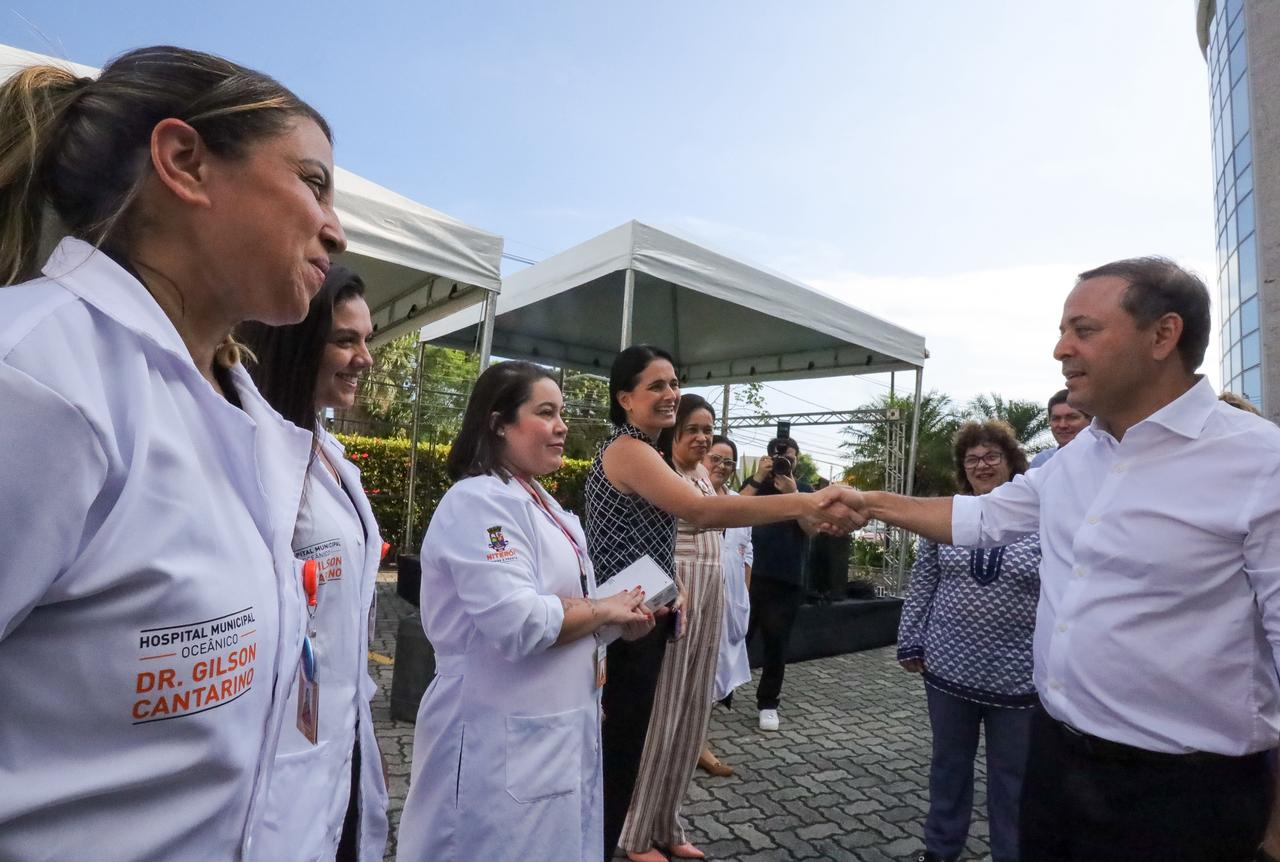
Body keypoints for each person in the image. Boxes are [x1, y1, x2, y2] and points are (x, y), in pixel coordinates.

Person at [0, 47, 345, 859]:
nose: (336, 228)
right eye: (314, 182)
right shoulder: (37, 380)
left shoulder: (238, 409)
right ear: (185, 162)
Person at [848, 257, 1280, 862]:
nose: (1060, 349)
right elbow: (981, 518)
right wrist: (867, 502)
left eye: (1084, 329)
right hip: (1055, 762)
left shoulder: (1261, 463)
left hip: (1185, 797)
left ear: (1163, 335)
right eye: (1061, 330)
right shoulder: (1073, 462)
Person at [585, 345, 859, 860]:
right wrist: (808, 499)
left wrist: (676, 587)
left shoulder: (641, 449)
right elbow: (700, 511)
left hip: (649, 613)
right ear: (624, 398)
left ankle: (651, 830)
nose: (671, 395)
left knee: (651, 735)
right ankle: (620, 841)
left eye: (673, 383)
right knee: (627, 749)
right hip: (624, 624)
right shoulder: (630, 449)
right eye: (656, 386)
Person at [396, 361, 653, 861]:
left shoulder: (544, 505)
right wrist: (603, 609)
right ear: (498, 423)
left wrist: (622, 622)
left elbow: (572, 611)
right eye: (546, 413)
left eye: (562, 413)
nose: (562, 427)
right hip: (494, 738)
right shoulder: (480, 503)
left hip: (553, 734)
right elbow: (519, 623)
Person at [239, 265, 389, 861]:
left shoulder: (328, 452)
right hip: (277, 751)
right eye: (345, 340)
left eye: (366, 340)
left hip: (341, 734)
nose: (365, 357)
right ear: (298, 343)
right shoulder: (252, 447)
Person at [898, 421, 1040, 862]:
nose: (982, 465)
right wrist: (910, 640)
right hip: (947, 669)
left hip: (1020, 677)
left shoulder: (1039, 517)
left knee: (1013, 780)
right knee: (948, 769)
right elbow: (924, 579)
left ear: (1011, 461)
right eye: (972, 459)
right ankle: (940, 851)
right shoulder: (950, 517)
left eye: (991, 456)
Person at [619, 395, 728, 861]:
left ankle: (668, 822)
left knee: (692, 713)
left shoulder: (703, 475)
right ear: (674, 432)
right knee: (662, 715)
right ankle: (635, 832)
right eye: (694, 429)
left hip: (712, 594)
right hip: (677, 591)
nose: (702, 438)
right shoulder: (658, 471)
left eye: (709, 429)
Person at [742, 436, 813, 731]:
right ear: (767, 457)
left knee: (776, 645)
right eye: (778, 457)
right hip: (747, 576)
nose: (785, 463)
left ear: (797, 460)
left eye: (790, 459)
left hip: (785, 578)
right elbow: (729, 510)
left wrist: (795, 493)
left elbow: (812, 528)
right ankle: (721, 693)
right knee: (736, 638)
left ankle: (768, 703)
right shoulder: (756, 485)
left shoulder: (805, 490)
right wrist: (759, 477)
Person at [697, 435, 753, 779]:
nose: (721, 467)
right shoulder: (687, 495)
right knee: (693, 676)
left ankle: (699, 743)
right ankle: (685, 745)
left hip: (730, 603)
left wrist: (743, 594)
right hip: (697, 600)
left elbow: (747, 552)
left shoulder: (739, 504)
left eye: (728, 462)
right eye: (714, 459)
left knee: (718, 679)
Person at [1028, 389, 1090, 467]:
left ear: (1090, 420)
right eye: (1056, 418)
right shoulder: (1042, 461)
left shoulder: (1105, 458)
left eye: (1071, 417)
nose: (1062, 425)